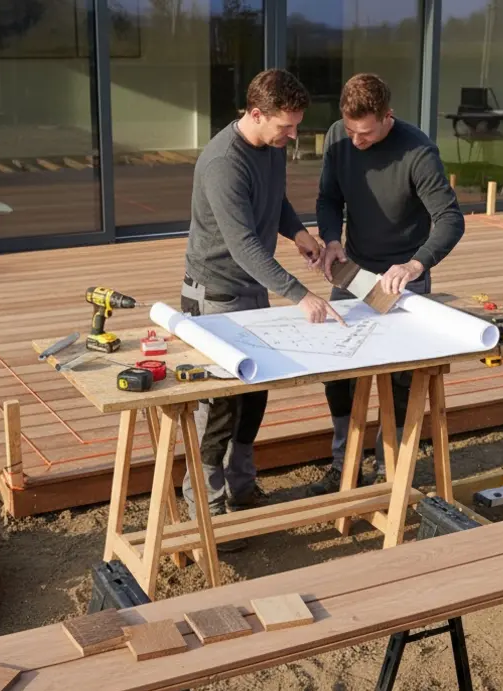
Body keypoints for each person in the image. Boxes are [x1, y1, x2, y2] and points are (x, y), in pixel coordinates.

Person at [182, 69, 343, 537]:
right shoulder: (222, 163)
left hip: (249, 287)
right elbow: (244, 247)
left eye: (296, 126)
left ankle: (241, 488)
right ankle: (206, 511)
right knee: (218, 407)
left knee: (254, 393)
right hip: (215, 293)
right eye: (285, 127)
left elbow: (275, 200)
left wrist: (299, 234)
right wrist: (301, 295)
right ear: (255, 114)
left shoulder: (270, 147)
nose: (292, 137)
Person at [308, 73, 465, 494]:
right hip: (353, 272)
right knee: (338, 369)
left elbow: (450, 219)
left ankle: (390, 466)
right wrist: (332, 240)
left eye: (366, 133)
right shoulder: (339, 136)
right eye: (351, 130)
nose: (356, 141)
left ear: (387, 117)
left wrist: (414, 266)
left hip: (402, 278)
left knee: (398, 379)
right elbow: (328, 198)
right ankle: (347, 461)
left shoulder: (418, 151)